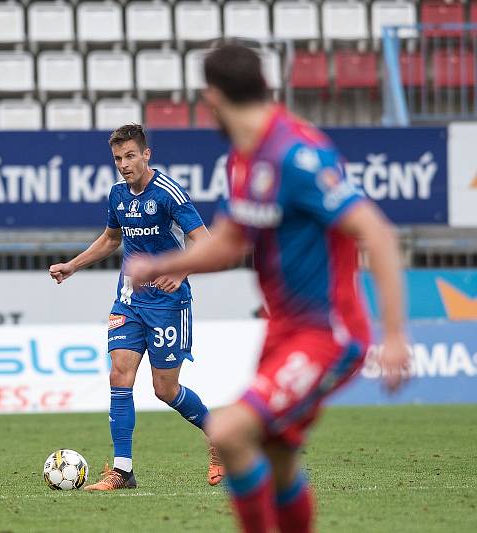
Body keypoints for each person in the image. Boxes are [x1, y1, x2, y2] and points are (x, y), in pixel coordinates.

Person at [126, 44, 409, 531]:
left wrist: (397, 336)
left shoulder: (297, 154)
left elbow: (378, 234)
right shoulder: (243, 160)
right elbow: (233, 241)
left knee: (230, 432)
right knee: (278, 464)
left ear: (211, 98)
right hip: (284, 334)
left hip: (328, 333)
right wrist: (163, 264)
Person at [49, 124, 225, 491]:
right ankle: (122, 471)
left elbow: (205, 242)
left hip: (168, 304)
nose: (124, 164)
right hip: (129, 300)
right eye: (117, 158)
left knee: (165, 390)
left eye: (130, 156)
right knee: (119, 376)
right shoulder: (117, 195)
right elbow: (111, 239)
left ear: (147, 154)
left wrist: (181, 270)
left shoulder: (168, 193)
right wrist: (73, 266)